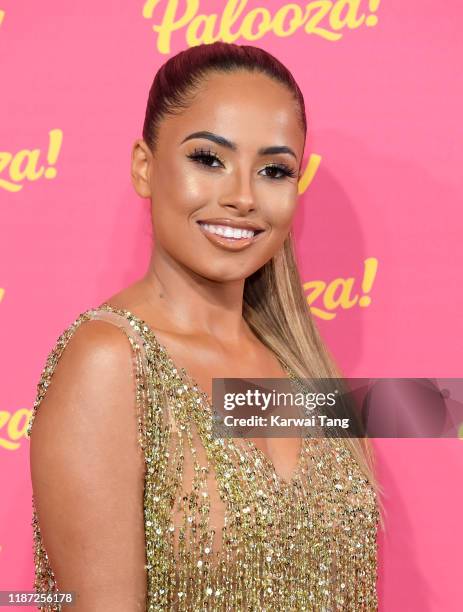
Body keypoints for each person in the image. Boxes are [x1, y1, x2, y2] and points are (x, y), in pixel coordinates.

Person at [27, 42, 381, 611]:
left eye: (273, 170)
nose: (242, 196)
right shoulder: (110, 360)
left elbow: (437, 410)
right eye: (208, 159)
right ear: (145, 168)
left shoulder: (299, 367)